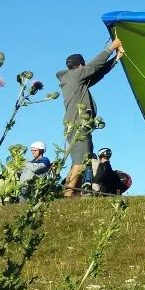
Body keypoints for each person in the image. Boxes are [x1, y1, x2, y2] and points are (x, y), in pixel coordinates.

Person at [57, 38, 123, 196]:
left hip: (79, 125)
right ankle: (67, 196)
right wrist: (112, 46)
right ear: (80, 66)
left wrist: (115, 59)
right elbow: (94, 66)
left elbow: (96, 73)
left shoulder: (74, 79)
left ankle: (70, 194)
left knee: (82, 160)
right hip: (78, 124)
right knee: (80, 162)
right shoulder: (75, 76)